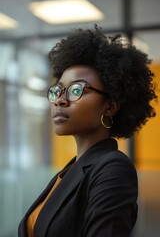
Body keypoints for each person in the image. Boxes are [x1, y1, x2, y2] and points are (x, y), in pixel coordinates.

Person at [18, 25, 157, 237]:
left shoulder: (113, 168)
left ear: (110, 106)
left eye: (76, 90)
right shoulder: (70, 171)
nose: (60, 100)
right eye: (58, 90)